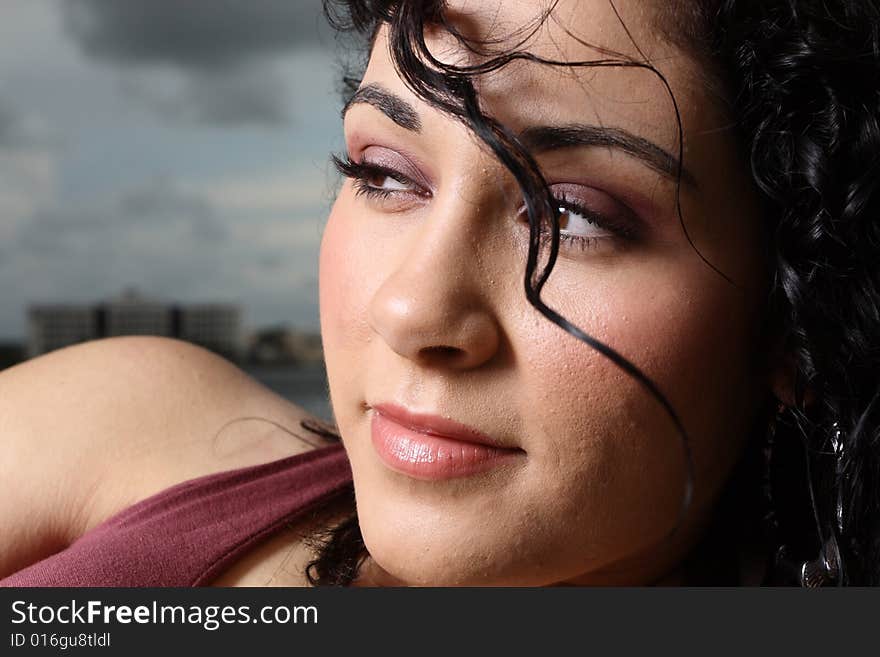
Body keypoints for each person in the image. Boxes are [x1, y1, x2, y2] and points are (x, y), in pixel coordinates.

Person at [1, 0, 878, 587]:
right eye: (384, 174)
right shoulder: (129, 423)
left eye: (573, 214)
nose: (413, 310)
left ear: (792, 320)